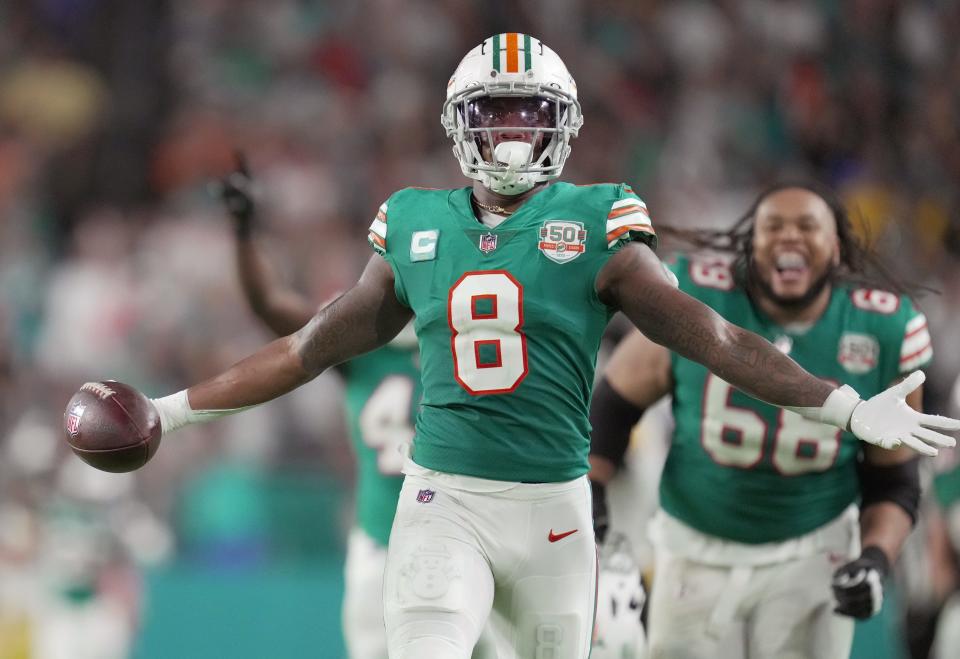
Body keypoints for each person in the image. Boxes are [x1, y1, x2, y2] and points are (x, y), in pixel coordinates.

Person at [128, 36, 957, 659]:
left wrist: (842, 403)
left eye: (529, 112)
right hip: (441, 500)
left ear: (561, 124)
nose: (513, 133)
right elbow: (307, 345)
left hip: (555, 510)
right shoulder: (414, 221)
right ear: (461, 124)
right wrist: (169, 412)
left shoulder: (602, 220)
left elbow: (712, 334)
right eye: (494, 113)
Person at [589, 183, 942, 659]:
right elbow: (615, 404)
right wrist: (589, 497)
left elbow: (893, 480)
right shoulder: (696, 293)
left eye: (807, 226)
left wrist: (876, 557)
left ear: (836, 248)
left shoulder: (884, 328)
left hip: (812, 551)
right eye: (773, 226)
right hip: (693, 545)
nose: (789, 236)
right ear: (750, 245)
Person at [217, 159, 420, 659]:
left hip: (446, 538)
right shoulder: (375, 349)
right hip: (389, 539)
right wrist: (245, 235)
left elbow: (269, 302)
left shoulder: (385, 350)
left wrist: (244, 232)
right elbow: (270, 302)